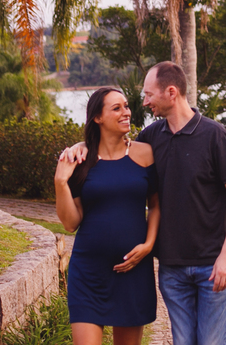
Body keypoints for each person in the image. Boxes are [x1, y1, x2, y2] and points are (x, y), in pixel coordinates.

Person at [62, 62, 226, 345]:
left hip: (211, 263)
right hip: (171, 266)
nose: (142, 103)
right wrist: (80, 147)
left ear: (171, 92)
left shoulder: (213, 135)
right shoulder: (151, 139)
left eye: (148, 95)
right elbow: (114, 157)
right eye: (120, 106)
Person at [54, 87, 159, 345]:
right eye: (117, 108)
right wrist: (60, 182)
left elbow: (156, 205)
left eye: (126, 106)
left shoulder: (145, 154)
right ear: (97, 118)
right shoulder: (80, 160)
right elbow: (70, 223)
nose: (126, 112)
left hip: (132, 270)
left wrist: (148, 245)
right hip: (89, 272)